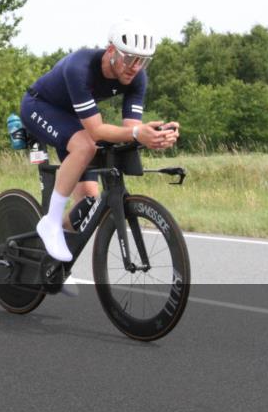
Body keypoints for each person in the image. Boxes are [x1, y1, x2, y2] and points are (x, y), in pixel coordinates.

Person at [21, 20, 179, 263]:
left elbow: (129, 130)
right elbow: (95, 131)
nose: (135, 67)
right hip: (39, 106)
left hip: (72, 118)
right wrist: (138, 134)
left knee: (86, 205)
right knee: (86, 145)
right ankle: (50, 223)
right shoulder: (80, 67)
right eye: (129, 59)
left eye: (143, 61)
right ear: (111, 51)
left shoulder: (138, 78)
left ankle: (50, 264)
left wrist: (154, 134)